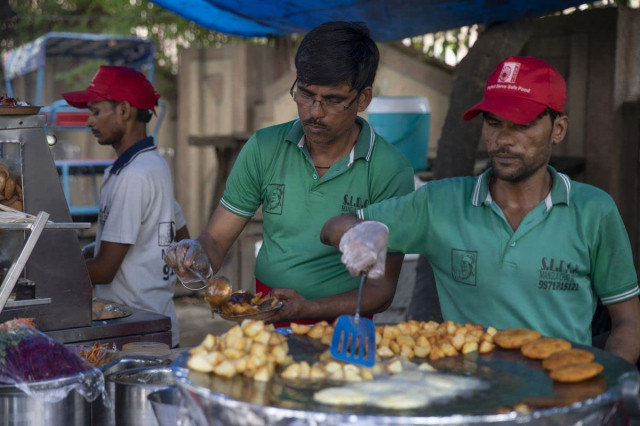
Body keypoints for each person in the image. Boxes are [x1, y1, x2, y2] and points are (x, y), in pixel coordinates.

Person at [321, 56, 640, 364]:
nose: (503, 139)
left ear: (558, 129)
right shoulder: (440, 203)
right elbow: (332, 227)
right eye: (493, 123)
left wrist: (608, 381)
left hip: (561, 403)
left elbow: (628, 321)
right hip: (470, 396)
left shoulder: (593, 211)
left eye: (522, 125)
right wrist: (358, 234)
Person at [164, 21, 415, 324]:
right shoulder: (264, 148)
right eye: (306, 94)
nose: (314, 112)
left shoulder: (390, 169)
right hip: (266, 323)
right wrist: (195, 257)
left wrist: (308, 309)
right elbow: (216, 240)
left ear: (363, 99)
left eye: (333, 100)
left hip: (344, 333)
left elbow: (381, 291)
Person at [62, 66, 189, 347]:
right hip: (153, 321)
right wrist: (90, 250)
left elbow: (106, 269)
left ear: (124, 111)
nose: (89, 121)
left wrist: (48, 271)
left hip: (137, 332)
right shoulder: (151, 165)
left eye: (96, 112)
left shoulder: (134, 175)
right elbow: (179, 233)